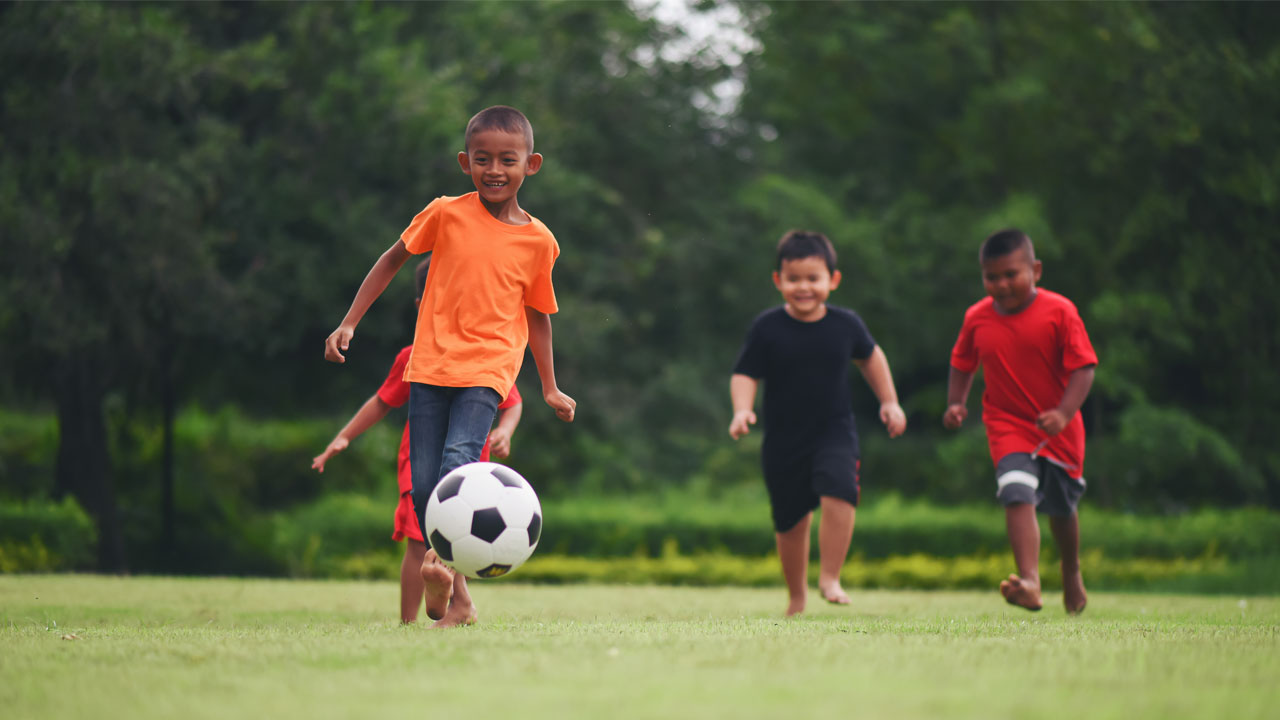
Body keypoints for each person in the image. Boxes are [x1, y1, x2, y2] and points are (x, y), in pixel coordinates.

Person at [324, 106, 575, 628]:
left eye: (508, 159)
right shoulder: (445, 213)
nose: (494, 170)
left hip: (488, 368)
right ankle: (459, 602)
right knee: (422, 490)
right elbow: (393, 258)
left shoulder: (538, 241)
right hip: (430, 365)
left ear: (532, 165)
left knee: (458, 462)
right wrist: (350, 322)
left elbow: (539, 316)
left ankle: (440, 573)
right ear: (465, 162)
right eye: (482, 159)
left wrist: (549, 387)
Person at [312, 258, 524, 624]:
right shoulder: (412, 358)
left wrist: (505, 430)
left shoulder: (483, 357)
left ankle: (458, 605)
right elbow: (381, 402)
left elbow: (513, 403)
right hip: (420, 465)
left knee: (451, 535)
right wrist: (344, 436)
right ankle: (411, 622)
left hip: (472, 471)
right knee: (418, 542)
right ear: (420, 306)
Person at [729, 230, 907, 617]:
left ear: (833, 280)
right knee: (790, 520)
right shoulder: (767, 327)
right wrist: (742, 410)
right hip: (782, 439)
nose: (804, 287)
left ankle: (830, 577)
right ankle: (797, 597)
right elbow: (745, 373)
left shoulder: (846, 325)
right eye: (794, 279)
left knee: (841, 490)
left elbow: (872, 359)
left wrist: (890, 402)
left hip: (834, 431)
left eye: (814, 278)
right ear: (778, 281)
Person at [943, 228, 1097, 614]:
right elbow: (963, 363)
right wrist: (956, 403)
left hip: (1058, 427)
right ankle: (1029, 580)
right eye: (991, 276)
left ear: (1036, 270)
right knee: (1016, 491)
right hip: (1006, 422)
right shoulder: (976, 317)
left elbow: (1084, 368)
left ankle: (1071, 570)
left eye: (1011, 274)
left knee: (1061, 511)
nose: (1001, 284)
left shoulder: (1060, 311)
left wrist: (1063, 413)